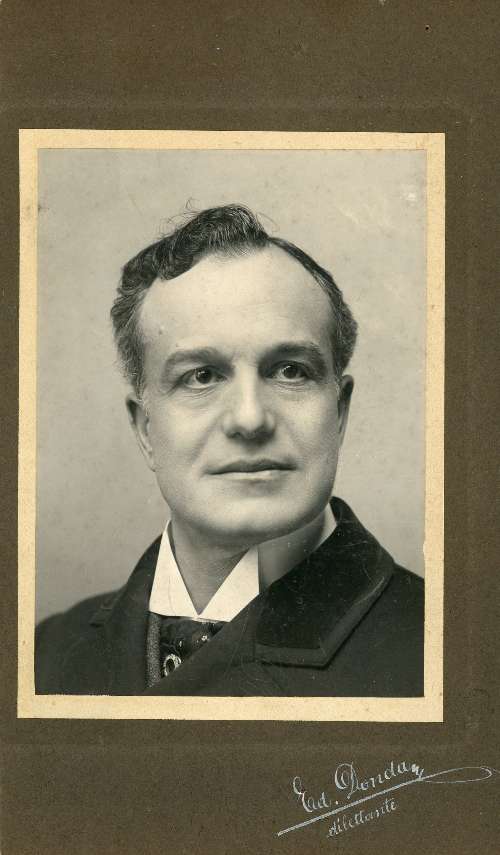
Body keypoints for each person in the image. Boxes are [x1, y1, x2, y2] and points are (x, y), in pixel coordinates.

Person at [35, 204, 423, 696]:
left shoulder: (446, 651)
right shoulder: (45, 655)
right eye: (201, 376)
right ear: (146, 429)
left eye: (290, 371)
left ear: (339, 411)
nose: (249, 419)